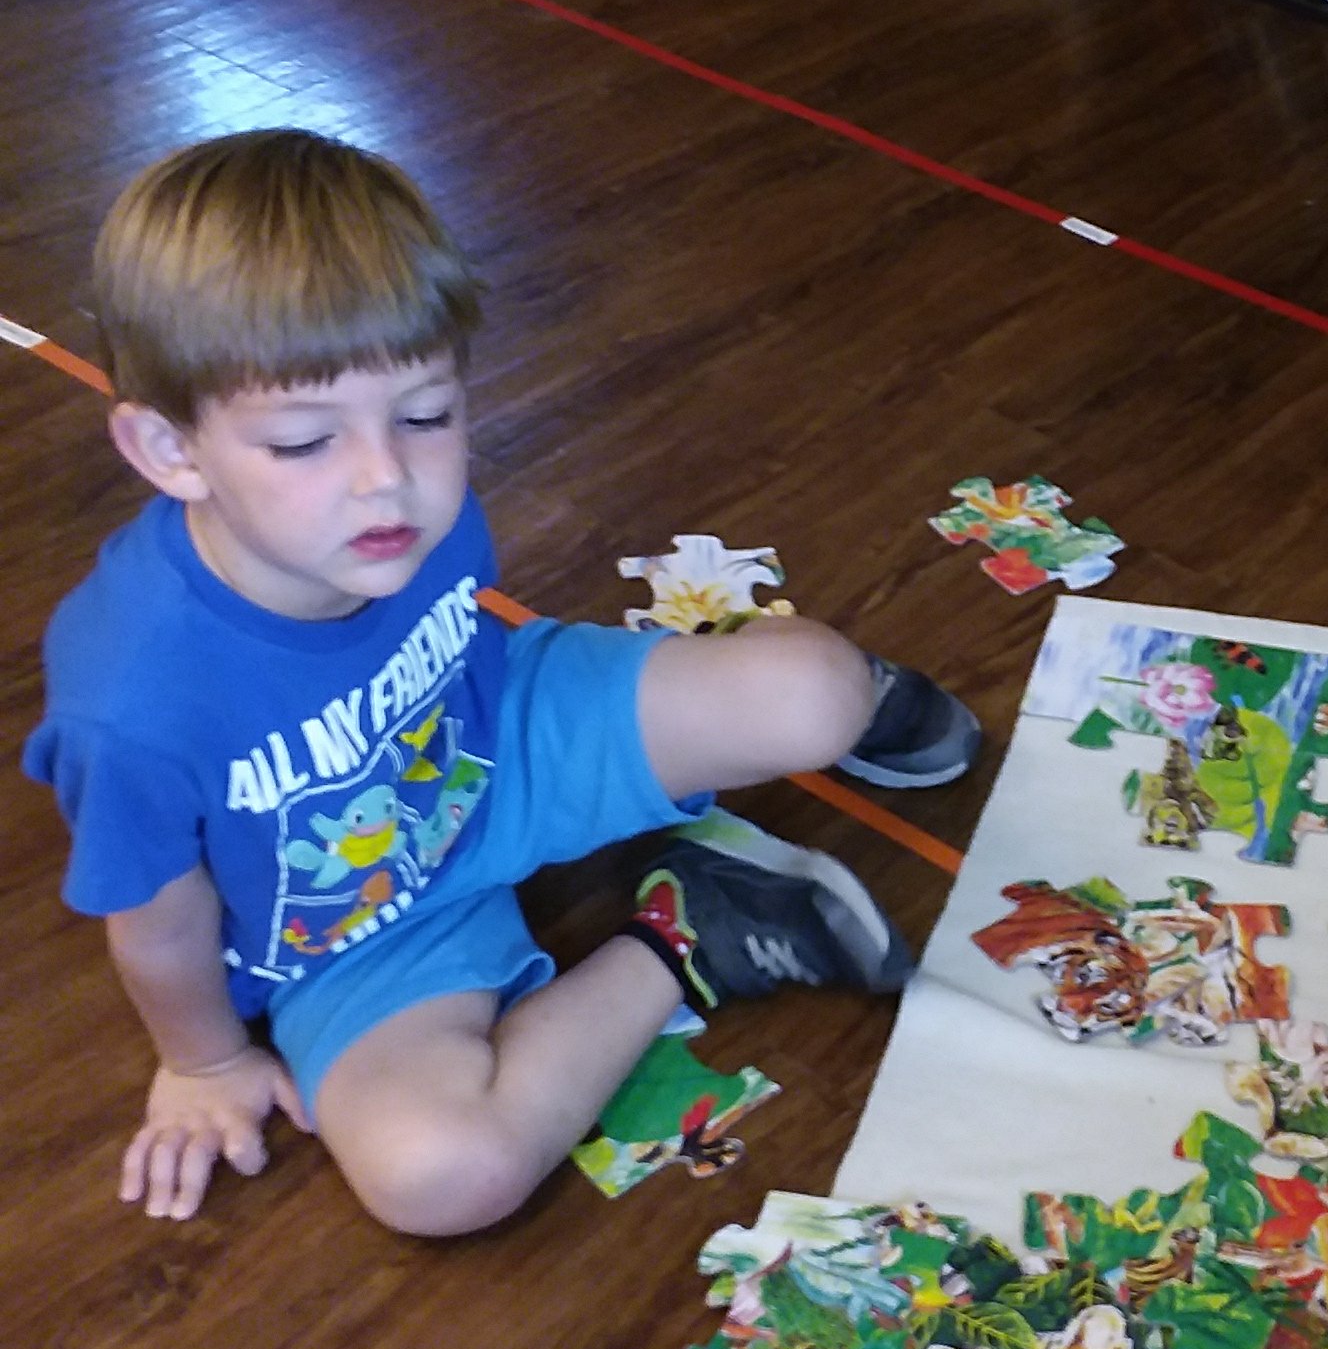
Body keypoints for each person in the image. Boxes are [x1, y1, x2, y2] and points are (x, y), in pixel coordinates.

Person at [25, 128, 982, 1237]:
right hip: (349, 939)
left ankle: (851, 696)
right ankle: (697, 932)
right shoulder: (130, 701)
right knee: (441, 1177)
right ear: (170, 450)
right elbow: (158, 928)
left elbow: (492, 649)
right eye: (302, 442)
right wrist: (203, 1061)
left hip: (503, 739)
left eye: (427, 414)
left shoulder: (406, 515)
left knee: (814, 692)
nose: (387, 477)